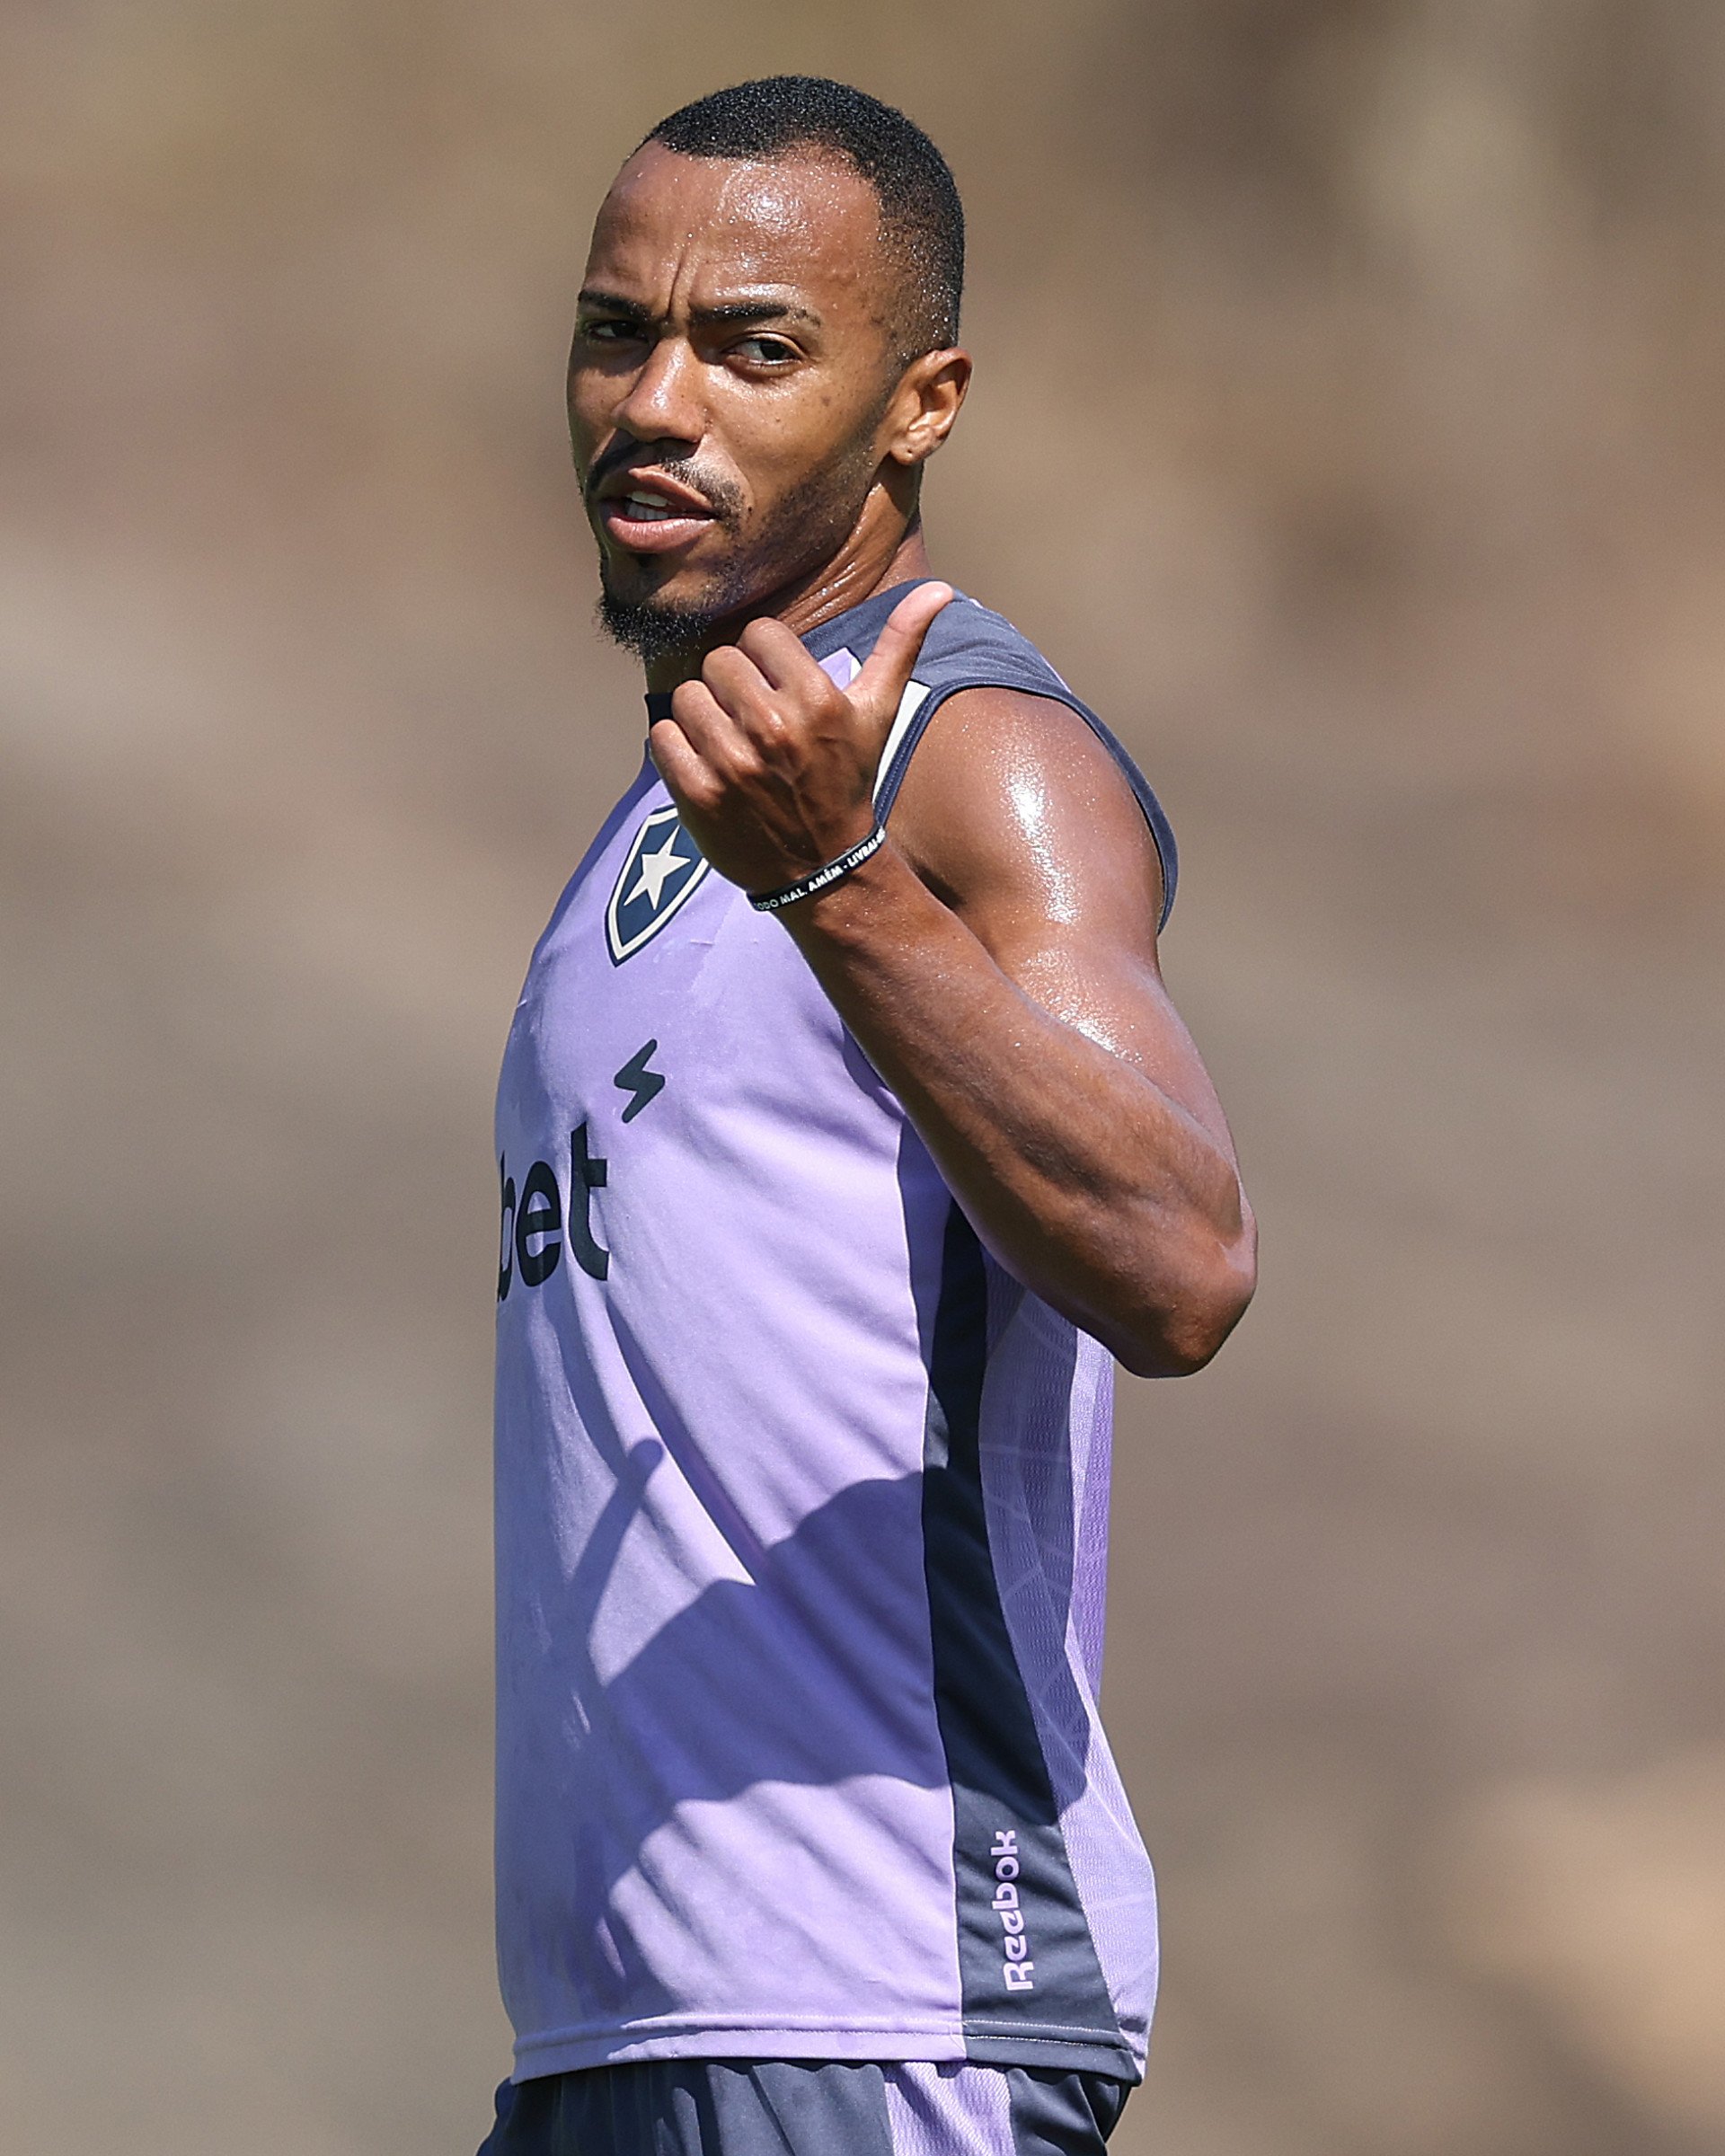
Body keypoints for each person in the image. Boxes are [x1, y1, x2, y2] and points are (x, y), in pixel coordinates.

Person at [482, 75, 1255, 2156]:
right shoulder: (679, 797)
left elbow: (1180, 1265)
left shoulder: (968, 756)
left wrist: (844, 887)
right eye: (612, 332)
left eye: (752, 350)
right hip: (613, 2037)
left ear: (920, 402)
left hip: (888, 2003)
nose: (657, 404)